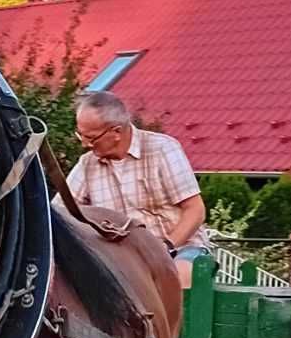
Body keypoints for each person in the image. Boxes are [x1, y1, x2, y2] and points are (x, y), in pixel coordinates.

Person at [68, 90, 210, 260]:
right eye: (80, 136)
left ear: (117, 132)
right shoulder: (87, 164)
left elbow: (195, 210)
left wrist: (165, 247)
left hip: (180, 248)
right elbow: (60, 213)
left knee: (181, 274)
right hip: (125, 260)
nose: (85, 144)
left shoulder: (162, 149)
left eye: (91, 138)